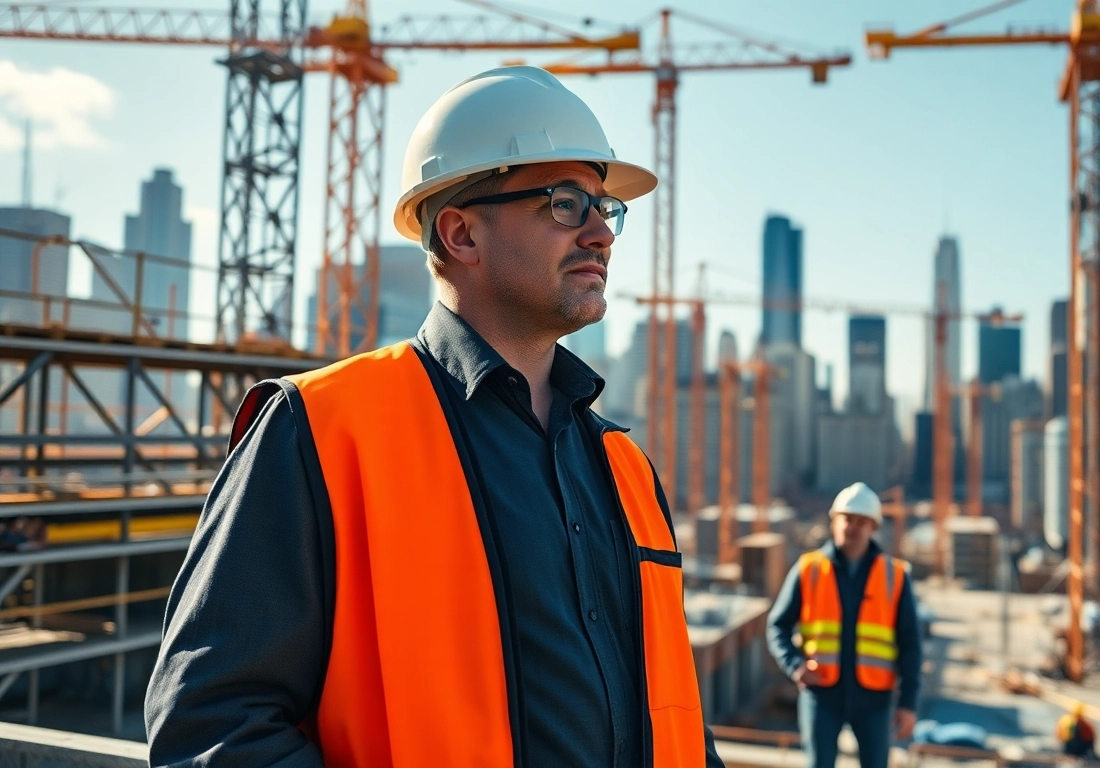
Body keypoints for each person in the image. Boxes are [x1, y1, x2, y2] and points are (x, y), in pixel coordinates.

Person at [144, 66, 723, 767]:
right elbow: (211, 726)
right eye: (567, 203)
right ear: (460, 234)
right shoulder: (319, 432)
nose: (602, 233)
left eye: (606, 208)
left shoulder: (627, 470)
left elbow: (677, 723)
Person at [767, 482, 923, 768]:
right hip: (822, 694)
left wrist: (908, 704)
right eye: (847, 519)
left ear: (873, 526)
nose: (853, 527)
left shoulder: (895, 575)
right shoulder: (808, 569)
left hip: (874, 699)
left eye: (862, 521)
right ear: (834, 521)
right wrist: (795, 665)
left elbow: (911, 645)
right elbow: (777, 626)